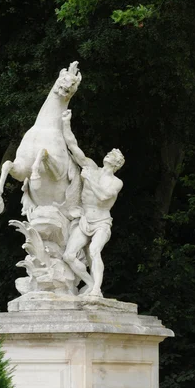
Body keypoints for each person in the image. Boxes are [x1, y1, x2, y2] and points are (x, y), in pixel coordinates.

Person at [61, 109, 124, 297]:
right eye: (109, 153)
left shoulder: (116, 182)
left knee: (95, 251)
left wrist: (89, 179)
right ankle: (90, 283)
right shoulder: (90, 167)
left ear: (117, 163)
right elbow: (73, 146)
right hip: (85, 220)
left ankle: (96, 289)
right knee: (68, 256)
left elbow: (104, 197)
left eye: (112, 155)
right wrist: (66, 123)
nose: (108, 155)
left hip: (102, 223)